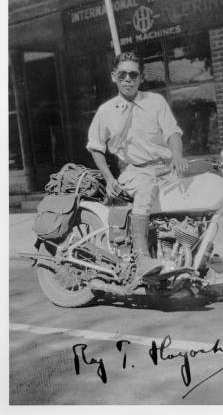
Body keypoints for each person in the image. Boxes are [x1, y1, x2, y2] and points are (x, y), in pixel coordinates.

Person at [87, 51, 188, 286]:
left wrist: (178, 155)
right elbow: (95, 147)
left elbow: (172, 132)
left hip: (164, 166)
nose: (128, 80)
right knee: (145, 188)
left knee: (199, 188)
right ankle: (142, 258)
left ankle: (194, 251)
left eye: (133, 75)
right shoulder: (106, 111)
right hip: (135, 170)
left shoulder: (155, 102)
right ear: (114, 76)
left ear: (141, 78)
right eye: (122, 75)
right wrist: (109, 178)